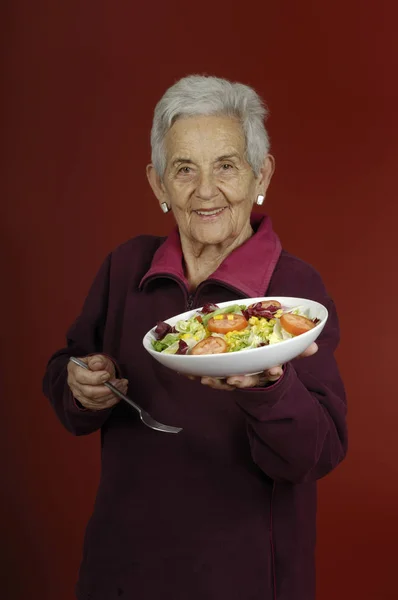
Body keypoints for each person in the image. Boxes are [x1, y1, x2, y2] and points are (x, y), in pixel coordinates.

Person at [43, 75, 347, 600]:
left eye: (226, 165)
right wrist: (80, 386)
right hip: (121, 572)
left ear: (261, 174)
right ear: (159, 185)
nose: (205, 190)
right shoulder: (125, 268)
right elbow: (68, 378)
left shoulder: (295, 292)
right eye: (184, 169)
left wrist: (268, 387)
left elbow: (315, 455)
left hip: (244, 578)